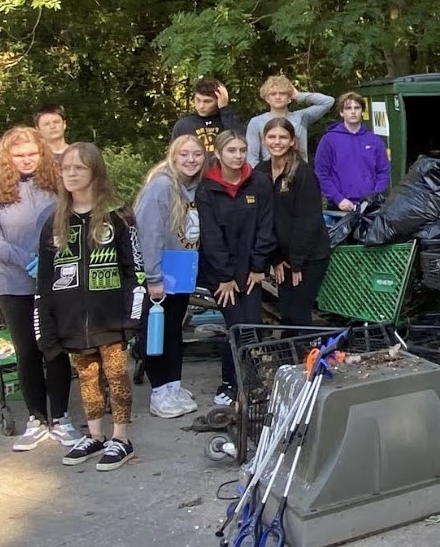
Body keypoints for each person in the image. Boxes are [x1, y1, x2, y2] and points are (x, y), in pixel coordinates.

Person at [34, 142, 144, 471]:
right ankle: (94, 434)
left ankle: (121, 438)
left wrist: (133, 316)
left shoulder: (119, 216)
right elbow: (43, 281)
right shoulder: (54, 223)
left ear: (94, 172)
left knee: (116, 374)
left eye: (78, 168)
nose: (70, 174)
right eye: (65, 168)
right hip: (71, 321)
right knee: (86, 377)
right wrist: (47, 325)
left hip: (110, 317)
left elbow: (134, 269)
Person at [0, 126, 82, 452]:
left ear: (42, 153)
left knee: (55, 347)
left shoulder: (55, 183)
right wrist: (26, 260)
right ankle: (36, 418)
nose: (26, 160)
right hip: (14, 281)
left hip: (55, 280)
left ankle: (61, 417)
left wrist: (55, 260)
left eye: (32, 154)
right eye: (19, 155)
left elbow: (72, 224)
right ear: (8, 157)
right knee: (27, 350)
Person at [197, 130, 276, 406]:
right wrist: (225, 277)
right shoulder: (207, 188)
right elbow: (210, 236)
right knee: (236, 326)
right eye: (231, 150)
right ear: (218, 154)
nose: (238, 155)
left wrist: (258, 266)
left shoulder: (260, 183)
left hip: (251, 271)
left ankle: (252, 382)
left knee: (251, 325)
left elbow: (266, 227)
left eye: (242, 150)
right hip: (222, 275)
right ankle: (230, 382)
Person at [133, 135, 205, 419]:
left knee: (174, 329)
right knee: (156, 331)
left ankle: (173, 384)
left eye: (196, 155)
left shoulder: (196, 187)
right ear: (173, 157)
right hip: (160, 270)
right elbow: (148, 234)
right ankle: (158, 390)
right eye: (184, 154)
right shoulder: (161, 187)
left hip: (181, 266)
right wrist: (153, 277)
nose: (191, 160)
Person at [255, 118, 331, 325]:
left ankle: (306, 355)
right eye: (272, 137)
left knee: (299, 314)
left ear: (292, 141)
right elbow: (262, 219)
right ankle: (292, 355)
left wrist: (296, 263)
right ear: (264, 140)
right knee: (287, 314)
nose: (277, 142)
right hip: (282, 257)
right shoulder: (260, 172)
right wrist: (276, 258)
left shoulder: (303, 173)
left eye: (282, 137)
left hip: (308, 257)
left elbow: (308, 221)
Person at [313, 92, 390, 211]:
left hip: (370, 207)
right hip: (338, 206)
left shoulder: (375, 141)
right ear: (341, 112)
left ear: (362, 111)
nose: (353, 111)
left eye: (357, 108)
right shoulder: (329, 140)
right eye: (348, 108)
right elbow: (321, 173)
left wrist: (373, 198)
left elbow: (383, 172)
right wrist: (338, 199)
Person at [246, 76, 334, 166]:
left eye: (282, 93)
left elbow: (328, 101)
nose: (278, 97)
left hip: (300, 173)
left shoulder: (301, 117)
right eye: (273, 94)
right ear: (267, 98)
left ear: (289, 97)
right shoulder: (256, 122)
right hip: (270, 174)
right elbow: (252, 158)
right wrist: (260, 178)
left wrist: (298, 96)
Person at [171, 77, 243, 154]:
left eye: (207, 101)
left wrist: (224, 109)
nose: (201, 106)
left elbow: (240, 141)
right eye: (198, 100)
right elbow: (174, 155)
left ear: (219, 100)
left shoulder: (227, 120)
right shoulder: (184, 124)